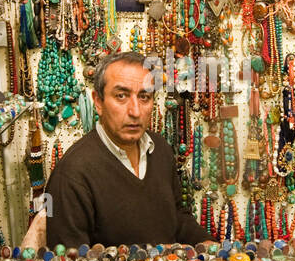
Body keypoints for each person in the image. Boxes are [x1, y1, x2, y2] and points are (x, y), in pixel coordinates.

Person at [44, 50, 207, 248]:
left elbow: (178, 217)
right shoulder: (72, 174)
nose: (135, 111)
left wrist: (205, 244)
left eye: (144, 97)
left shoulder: (160, 149)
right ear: (98, 103)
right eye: (121, 96)